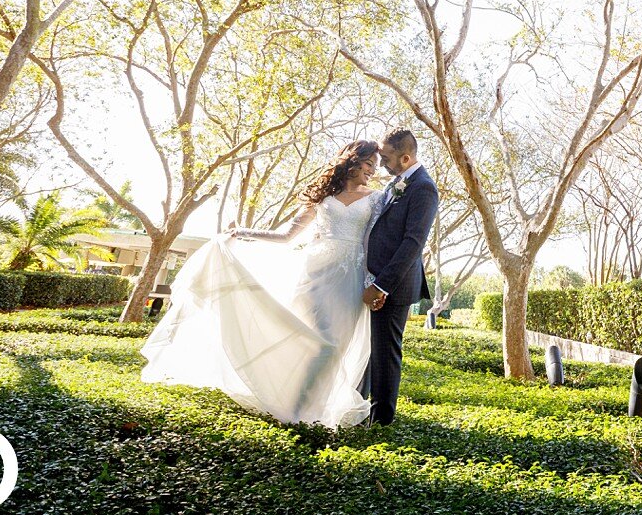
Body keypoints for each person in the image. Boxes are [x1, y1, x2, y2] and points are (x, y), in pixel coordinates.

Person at [138, 140, 382, 428]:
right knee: (315, 341)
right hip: (316, 273)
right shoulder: (325, 195)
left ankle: (308, 408)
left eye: (375, 167)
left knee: (332, 348)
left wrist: (373, 281)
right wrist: (242, 233)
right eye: (368, 164)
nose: (372, 170)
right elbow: (287, 236)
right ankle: (295, 410)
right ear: (353, 160)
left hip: (351, 279)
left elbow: (373, 243)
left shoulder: (376, 199)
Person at [359, 128, 438, 424]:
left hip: (394, 285)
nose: (381, 163)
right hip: (374, 277)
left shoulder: (423, 188)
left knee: (384, 354)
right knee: (370, 350)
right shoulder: (398, 182)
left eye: (387, 157)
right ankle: (362, 408)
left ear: (405, 157)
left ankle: (381, 421)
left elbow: (413, 243)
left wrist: (381, 286)